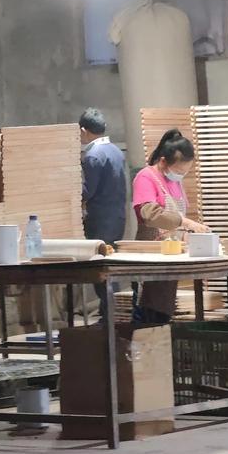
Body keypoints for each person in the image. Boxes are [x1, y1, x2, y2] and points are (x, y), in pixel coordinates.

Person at [131, 129, 210, 324]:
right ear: (163, 161)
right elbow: (149, 214)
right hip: (150, 257)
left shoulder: (175, 182)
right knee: (149, 315)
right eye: (178, 171)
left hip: (170, 257)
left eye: (184, 172)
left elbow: (177, 217)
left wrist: (190, 235)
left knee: (163, 314)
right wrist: (185, 222)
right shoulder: (146, 177)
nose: (180, 176)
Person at [79, 107, 129, 321]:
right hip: (117, 217)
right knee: (111, 266)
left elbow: (87, 191)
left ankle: (111, 316)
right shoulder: (116, 151)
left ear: (83, 130)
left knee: (100, 269)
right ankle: (111, 314)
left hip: (99, 220)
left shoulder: (93, 156)